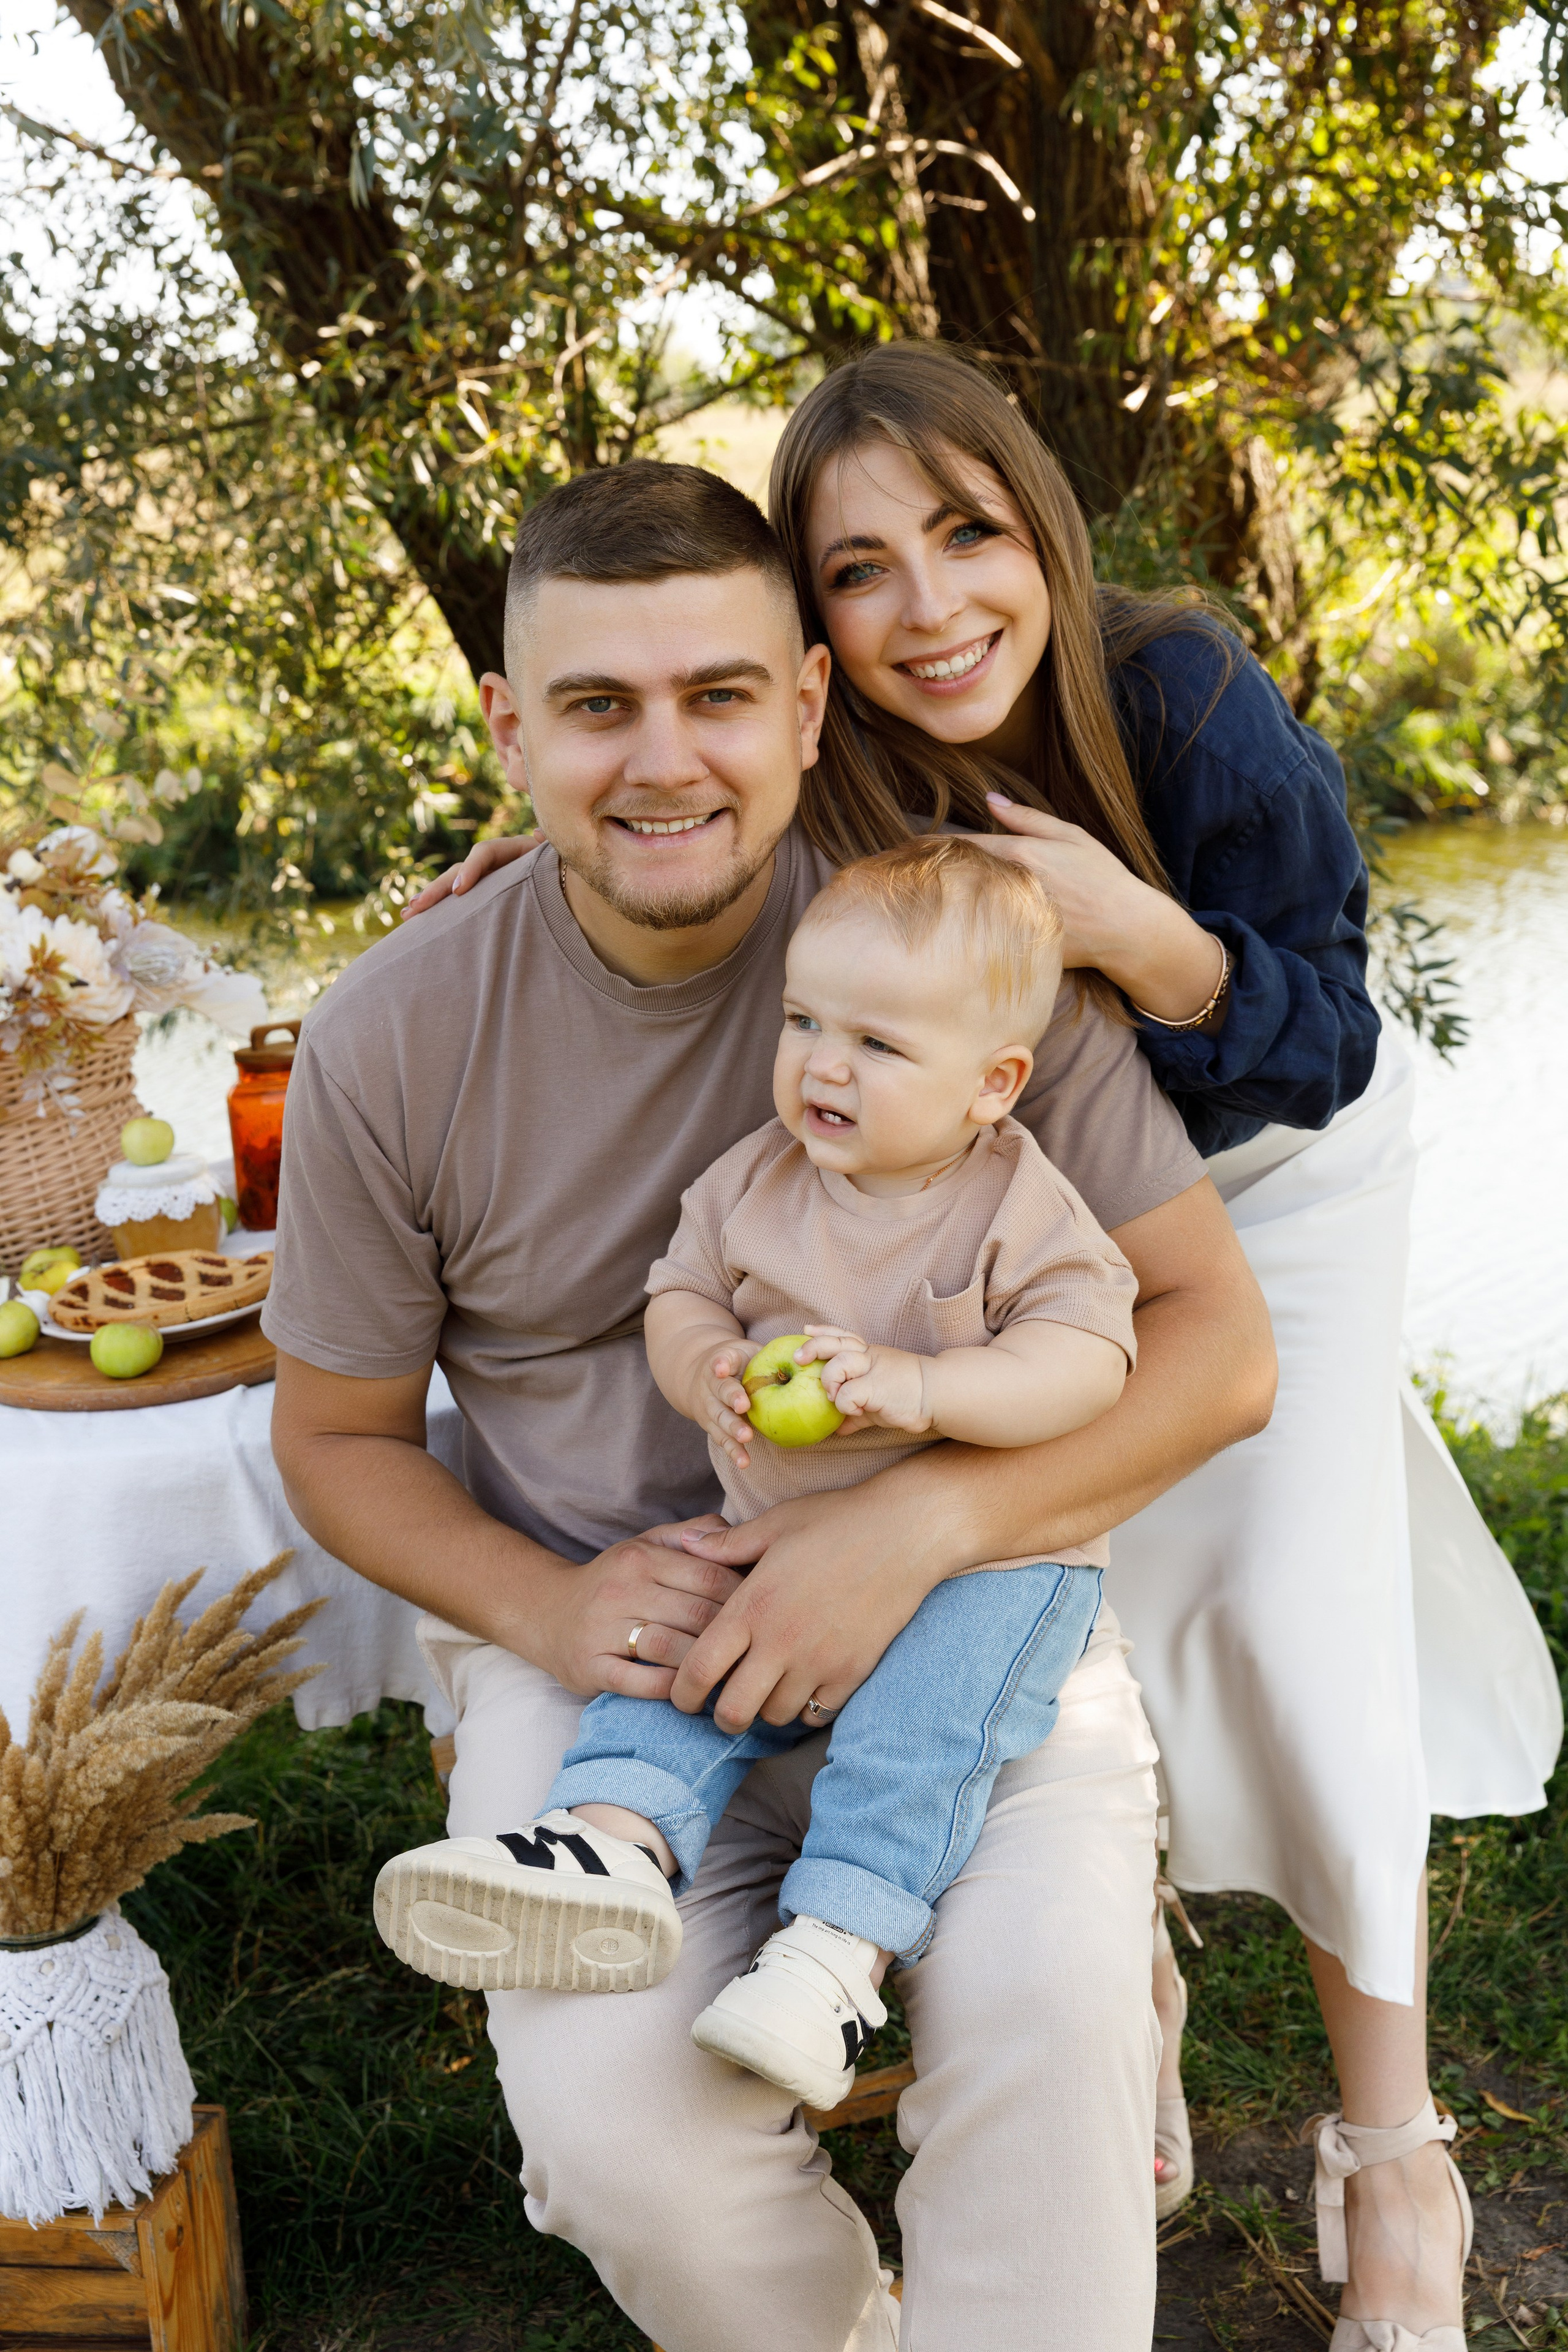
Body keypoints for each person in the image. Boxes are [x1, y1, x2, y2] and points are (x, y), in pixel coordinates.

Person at [409, 344, 1559, 2351]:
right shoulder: (842, 759)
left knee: (1288, 1620)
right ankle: (1109, 1989)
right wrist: (561, 854)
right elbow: (711, 829)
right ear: (816, 624)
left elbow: (1333, 1025)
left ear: (1043, 527)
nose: (932, 602)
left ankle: (1396, 2158)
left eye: (970, 534)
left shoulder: (1184, 698)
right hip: (1021, 1202)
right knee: (1069, 1587)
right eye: (860, 568)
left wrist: (1132, 930)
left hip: (1271, 1169)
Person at [268, 456, 1276, 2352]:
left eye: (720, 694)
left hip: (975, 1609)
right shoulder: (391, 1033)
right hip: (607, 1661)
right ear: (511, 729)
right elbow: (331, 1438)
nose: (666, 760)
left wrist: (919, 1524)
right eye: (597, 706)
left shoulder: (951, 953)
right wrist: (556, 1612)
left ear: (809, 705)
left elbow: (1220, 1345)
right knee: (623, 2153)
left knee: (1049, 2043)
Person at [372, 838, 1137, 2119]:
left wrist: (923, 1389)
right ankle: (608, 1845)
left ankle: (833, 1959)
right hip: (775, 1541)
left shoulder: (1017, 1204)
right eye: (801, 1021)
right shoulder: (755, 1179)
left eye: (879, 1046)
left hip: (988, 1572)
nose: (822, 1064)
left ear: (990, 1086)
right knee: (691, 1660)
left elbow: (1085, 1362)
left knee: (917, 1739)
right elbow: (674, 1295)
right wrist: (708, 1366)